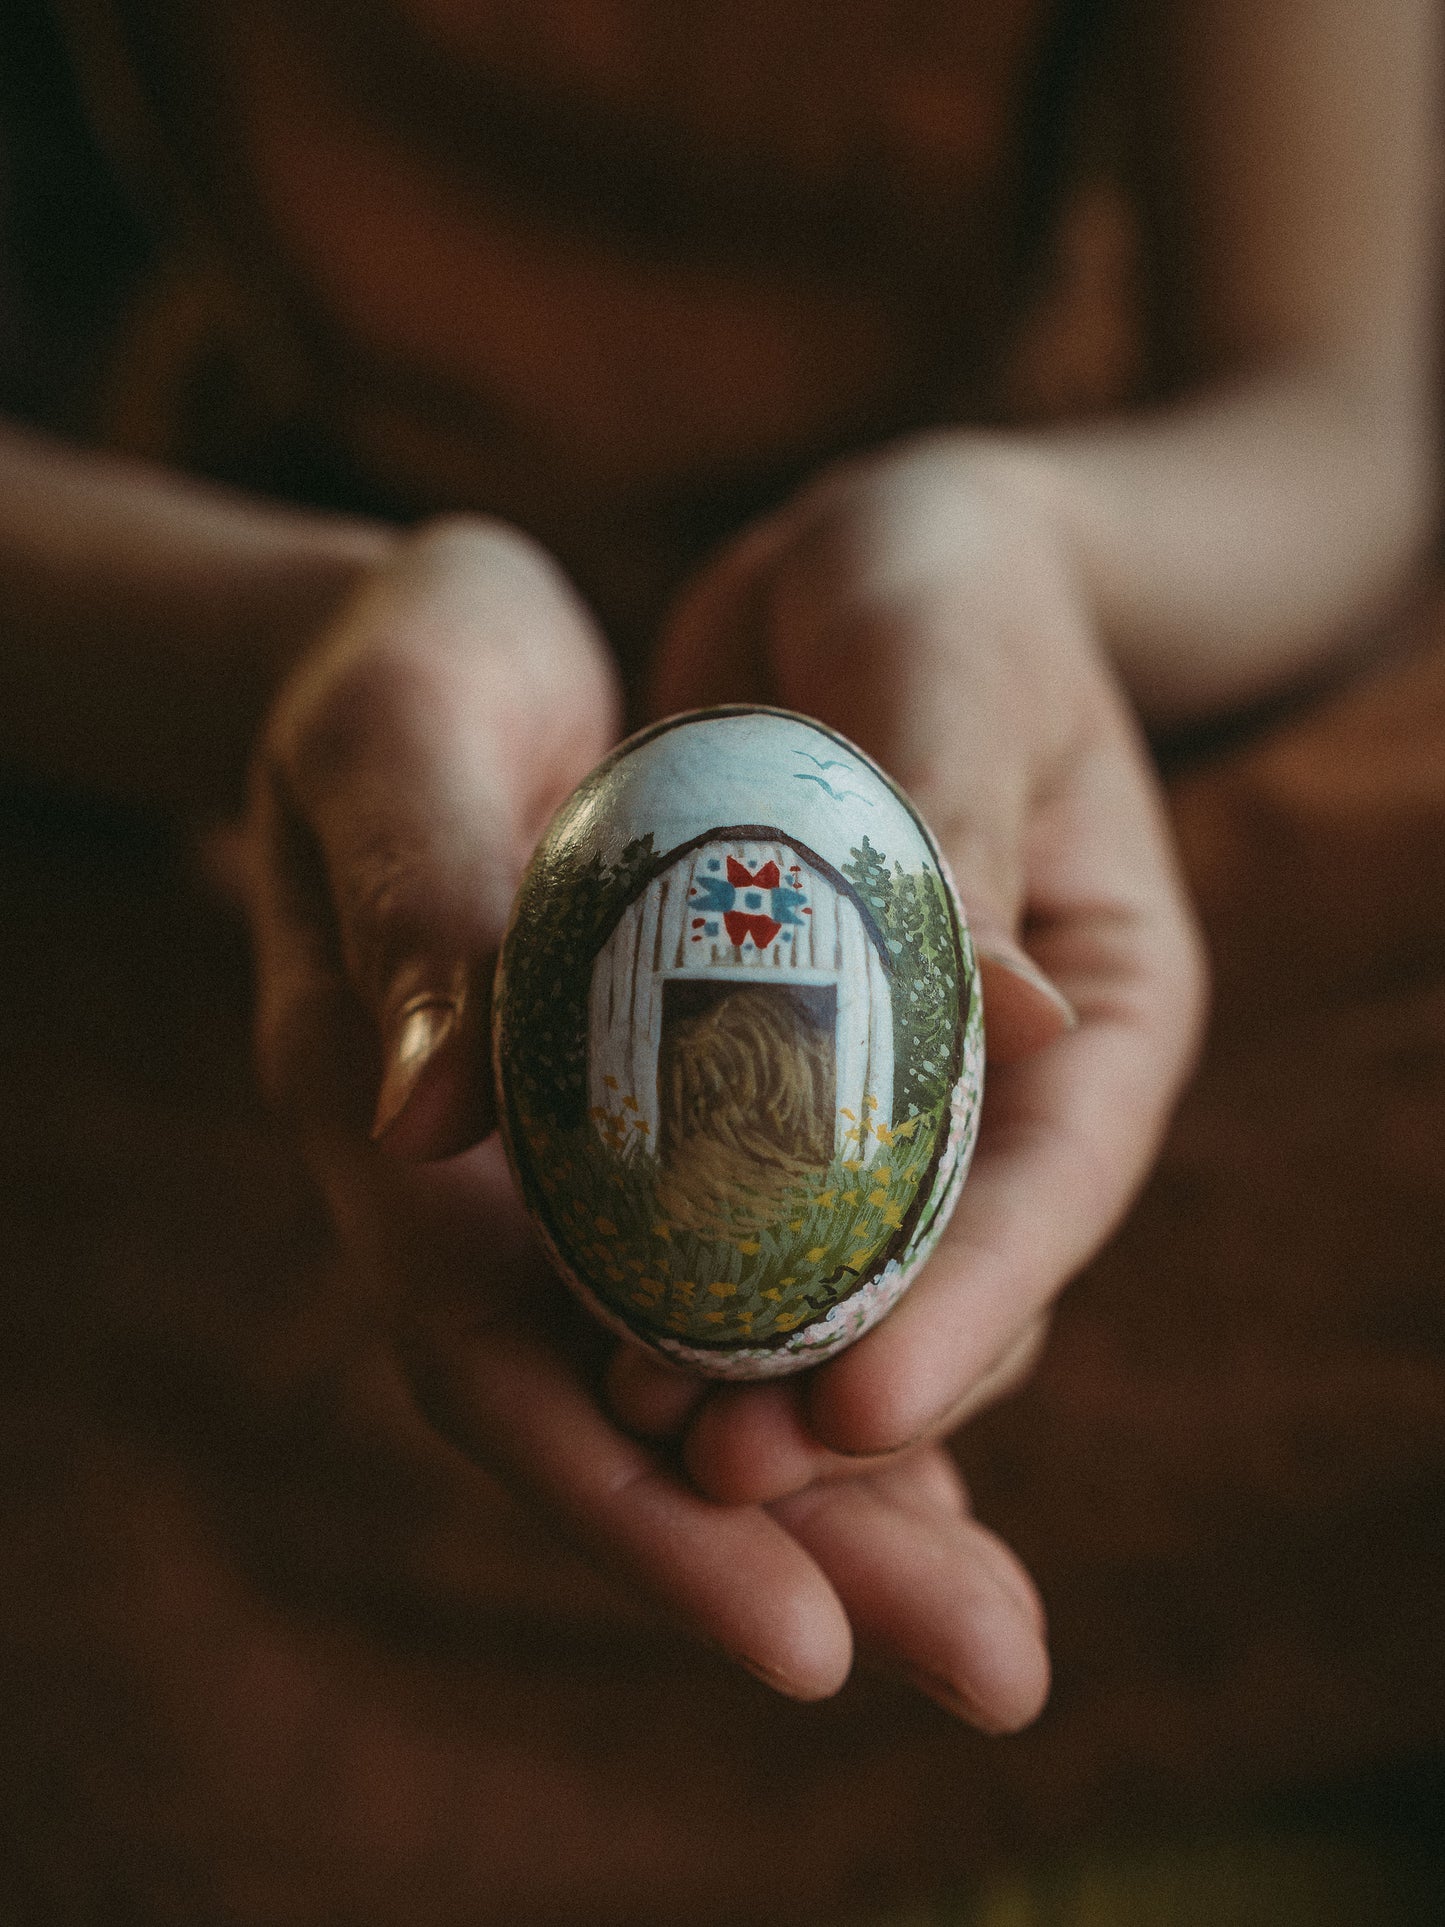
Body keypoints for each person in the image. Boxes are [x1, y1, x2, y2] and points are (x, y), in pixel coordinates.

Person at [0, 0, 1435, 1742]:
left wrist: (1018, 547)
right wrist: (296, 654)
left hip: (1035, 657)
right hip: (296, 737)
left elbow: (1342, 413)